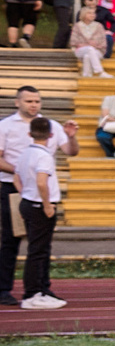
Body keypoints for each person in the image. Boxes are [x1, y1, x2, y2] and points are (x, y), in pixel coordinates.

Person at [1, 85, 77, 305]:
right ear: (17, 102)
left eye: (37, 101)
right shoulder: (5, 126)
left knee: (42, 244)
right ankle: (4, 288)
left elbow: (71, 151)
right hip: (13, 187)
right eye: (28, 101)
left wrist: (71, 137)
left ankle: (42, 288)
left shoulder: (50, 125)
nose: (33, 105)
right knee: (10, 240)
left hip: (39, 188)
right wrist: (23, 171)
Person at [7, 116, 65, 308]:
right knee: (38, 251)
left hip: (28, 202)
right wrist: (47, 204)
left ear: (29, 134)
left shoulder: (24, 153)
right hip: (40, 205)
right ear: (50, 134)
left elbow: (16, 178)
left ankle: (40, 290)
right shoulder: (44, 155)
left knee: (38, 248)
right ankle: (32, 294)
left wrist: (26, 193)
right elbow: (42, 181)